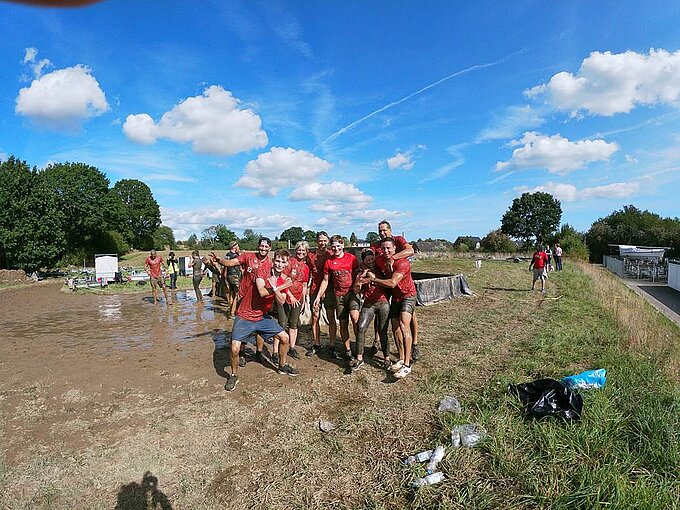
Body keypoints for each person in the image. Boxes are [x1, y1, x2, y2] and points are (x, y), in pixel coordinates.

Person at [222, 249, 298, 391]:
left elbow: (281, 301)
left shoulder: (282, 278)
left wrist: (278, 288)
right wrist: (281, 287)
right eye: (278, 260)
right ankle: (234, 375)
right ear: (273, 260)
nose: (280, 264)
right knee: (234, 348)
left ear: (287, 264)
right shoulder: (262, 271)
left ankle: (282, 365)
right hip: (244, 315)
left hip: (261, 317)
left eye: (283, 262)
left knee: (285, 338)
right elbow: (262, 292)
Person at [211, 237, 273, 367]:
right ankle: (243, 353)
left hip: (261, 300)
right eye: (261, 246)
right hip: (244, 298)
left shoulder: (271, 264)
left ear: (270, 248)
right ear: (258, 246)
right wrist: (219, 260)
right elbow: (230, 263)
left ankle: (259, 352)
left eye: (266, 247)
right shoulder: (247, 256)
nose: (263, 249)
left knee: (260, 329)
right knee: (244, 327)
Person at [371, 220, 421, 361]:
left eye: (384, 230)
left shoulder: (398, 240)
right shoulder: (376, 245)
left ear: (390, 230)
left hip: (402, 281)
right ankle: (376, 340)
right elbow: (370, 259)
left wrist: (393, 258)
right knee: (381, 312)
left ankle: (414, 344)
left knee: (409, 317)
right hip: (388, 284)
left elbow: (410, 250)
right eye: (379, 230)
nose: (382, 233)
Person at [368, 237, 417, 378]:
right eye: (383, 248)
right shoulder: (380, 259)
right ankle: (401, 358)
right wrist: (367, 270)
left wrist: (374, 280)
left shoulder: (403, 263)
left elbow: (392, 283)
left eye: (389, 248)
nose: (386, 251)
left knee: (403, 325)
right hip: (395, 297)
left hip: (408, 295)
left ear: (395, 249)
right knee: (395, 327)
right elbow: (369, 263)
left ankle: (407, 364)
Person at [313, 235, 360, 362]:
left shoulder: (351, 258)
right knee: (343, 324)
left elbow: (359, 273)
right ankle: (348, 349)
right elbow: (325, 280)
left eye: (338, 246)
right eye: (333, 247)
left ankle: (359, 347)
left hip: (351, 293)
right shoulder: (329, 262)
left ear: (343, 245)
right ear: (331, 247)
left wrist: (359, 286)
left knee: (355, 318)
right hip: (339, 295)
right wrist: (318, 296)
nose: (336, 249)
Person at [351, 249, 390, 372]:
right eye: (368, 260)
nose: (371, 261)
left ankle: (386, 358)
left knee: (382, 330)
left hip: (383, 302)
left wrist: (372, 278)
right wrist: (360, 278)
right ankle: (359, 358)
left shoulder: (381, 269)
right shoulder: (361, 272)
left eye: (372, 259)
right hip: (369, 304)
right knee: (361, 328)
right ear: (363, 261)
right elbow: (356, 290)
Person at [272, 240, 310, 363]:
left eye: (303, 250)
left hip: (298, 298)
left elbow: (304, 284)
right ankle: (275, 351)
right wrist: (290, 295)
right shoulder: (290, 262)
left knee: (294, 323)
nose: (300, 252)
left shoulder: (306, 267)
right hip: (285, 296)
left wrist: (303, 299)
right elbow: (283, 280)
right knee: (282, 323)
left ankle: (292, 347)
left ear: (306, 252)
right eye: (299, 249)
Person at [305, 231, 337, 357]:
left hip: (329, 290)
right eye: (320, 240)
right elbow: (306, 272)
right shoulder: (311, 255)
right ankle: (316, 344)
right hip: (314, 289)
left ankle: (332, 345)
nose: (322, 243)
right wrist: (305, 287)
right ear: (317, 241)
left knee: (331, 317)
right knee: (315, 317)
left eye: (325, 240)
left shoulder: (331, 254)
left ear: (328, 241)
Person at [225, 241, 242, 317]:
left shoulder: (227, 254)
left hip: (229, 275)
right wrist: (240, 253)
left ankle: (230, 309)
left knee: (231, 293)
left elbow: (225, 266)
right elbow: (242, 262)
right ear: (234, 247)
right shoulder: (236, 255)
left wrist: (225, 275)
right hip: (235, 276)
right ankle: (233, 313)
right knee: (237, 294)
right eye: (237, 245)